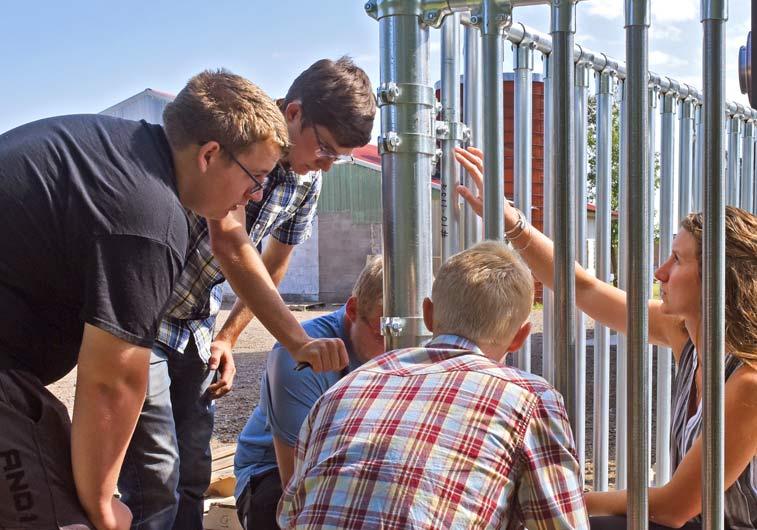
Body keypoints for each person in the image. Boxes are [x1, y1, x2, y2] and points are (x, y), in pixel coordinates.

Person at [454, 147, 757, 529]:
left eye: (677, 259)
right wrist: (513, 223)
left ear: (720, 280)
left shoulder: (756, 381)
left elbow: (673, 507)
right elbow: (584, 289)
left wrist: (556, 500)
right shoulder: (686, 335)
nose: (660, 272)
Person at [0, 70, 288, 530]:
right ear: (211, 155)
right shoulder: (147, 215)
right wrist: (100, 503)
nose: (253, 196)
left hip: (14, 372)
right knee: (65, 521)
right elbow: (113, 378)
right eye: (256, 178)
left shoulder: (119, 155)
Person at [117, 57, 377, 530]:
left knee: (193, 467)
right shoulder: (243, 141)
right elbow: (231, 243)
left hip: (194, 325)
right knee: (154, 473)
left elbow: (273, 265)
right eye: (325, 149)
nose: (326, 164)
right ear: (293, 112)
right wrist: (297, 341)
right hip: (145, 316)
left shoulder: (307, 181)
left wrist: (229, 337)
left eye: (338, 158)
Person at [279, 241, 589, 530]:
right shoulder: (530, 398)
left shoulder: (345, 388)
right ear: (521, 337)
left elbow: (290, 514)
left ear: (428, 314)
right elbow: (561, 523)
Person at [233, 255, 385, 530]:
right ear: (352, 309)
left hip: (351, 463)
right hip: (273, 474)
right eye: (381, 333)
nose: (394, 351)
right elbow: (294, 487)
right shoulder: (299, 357)